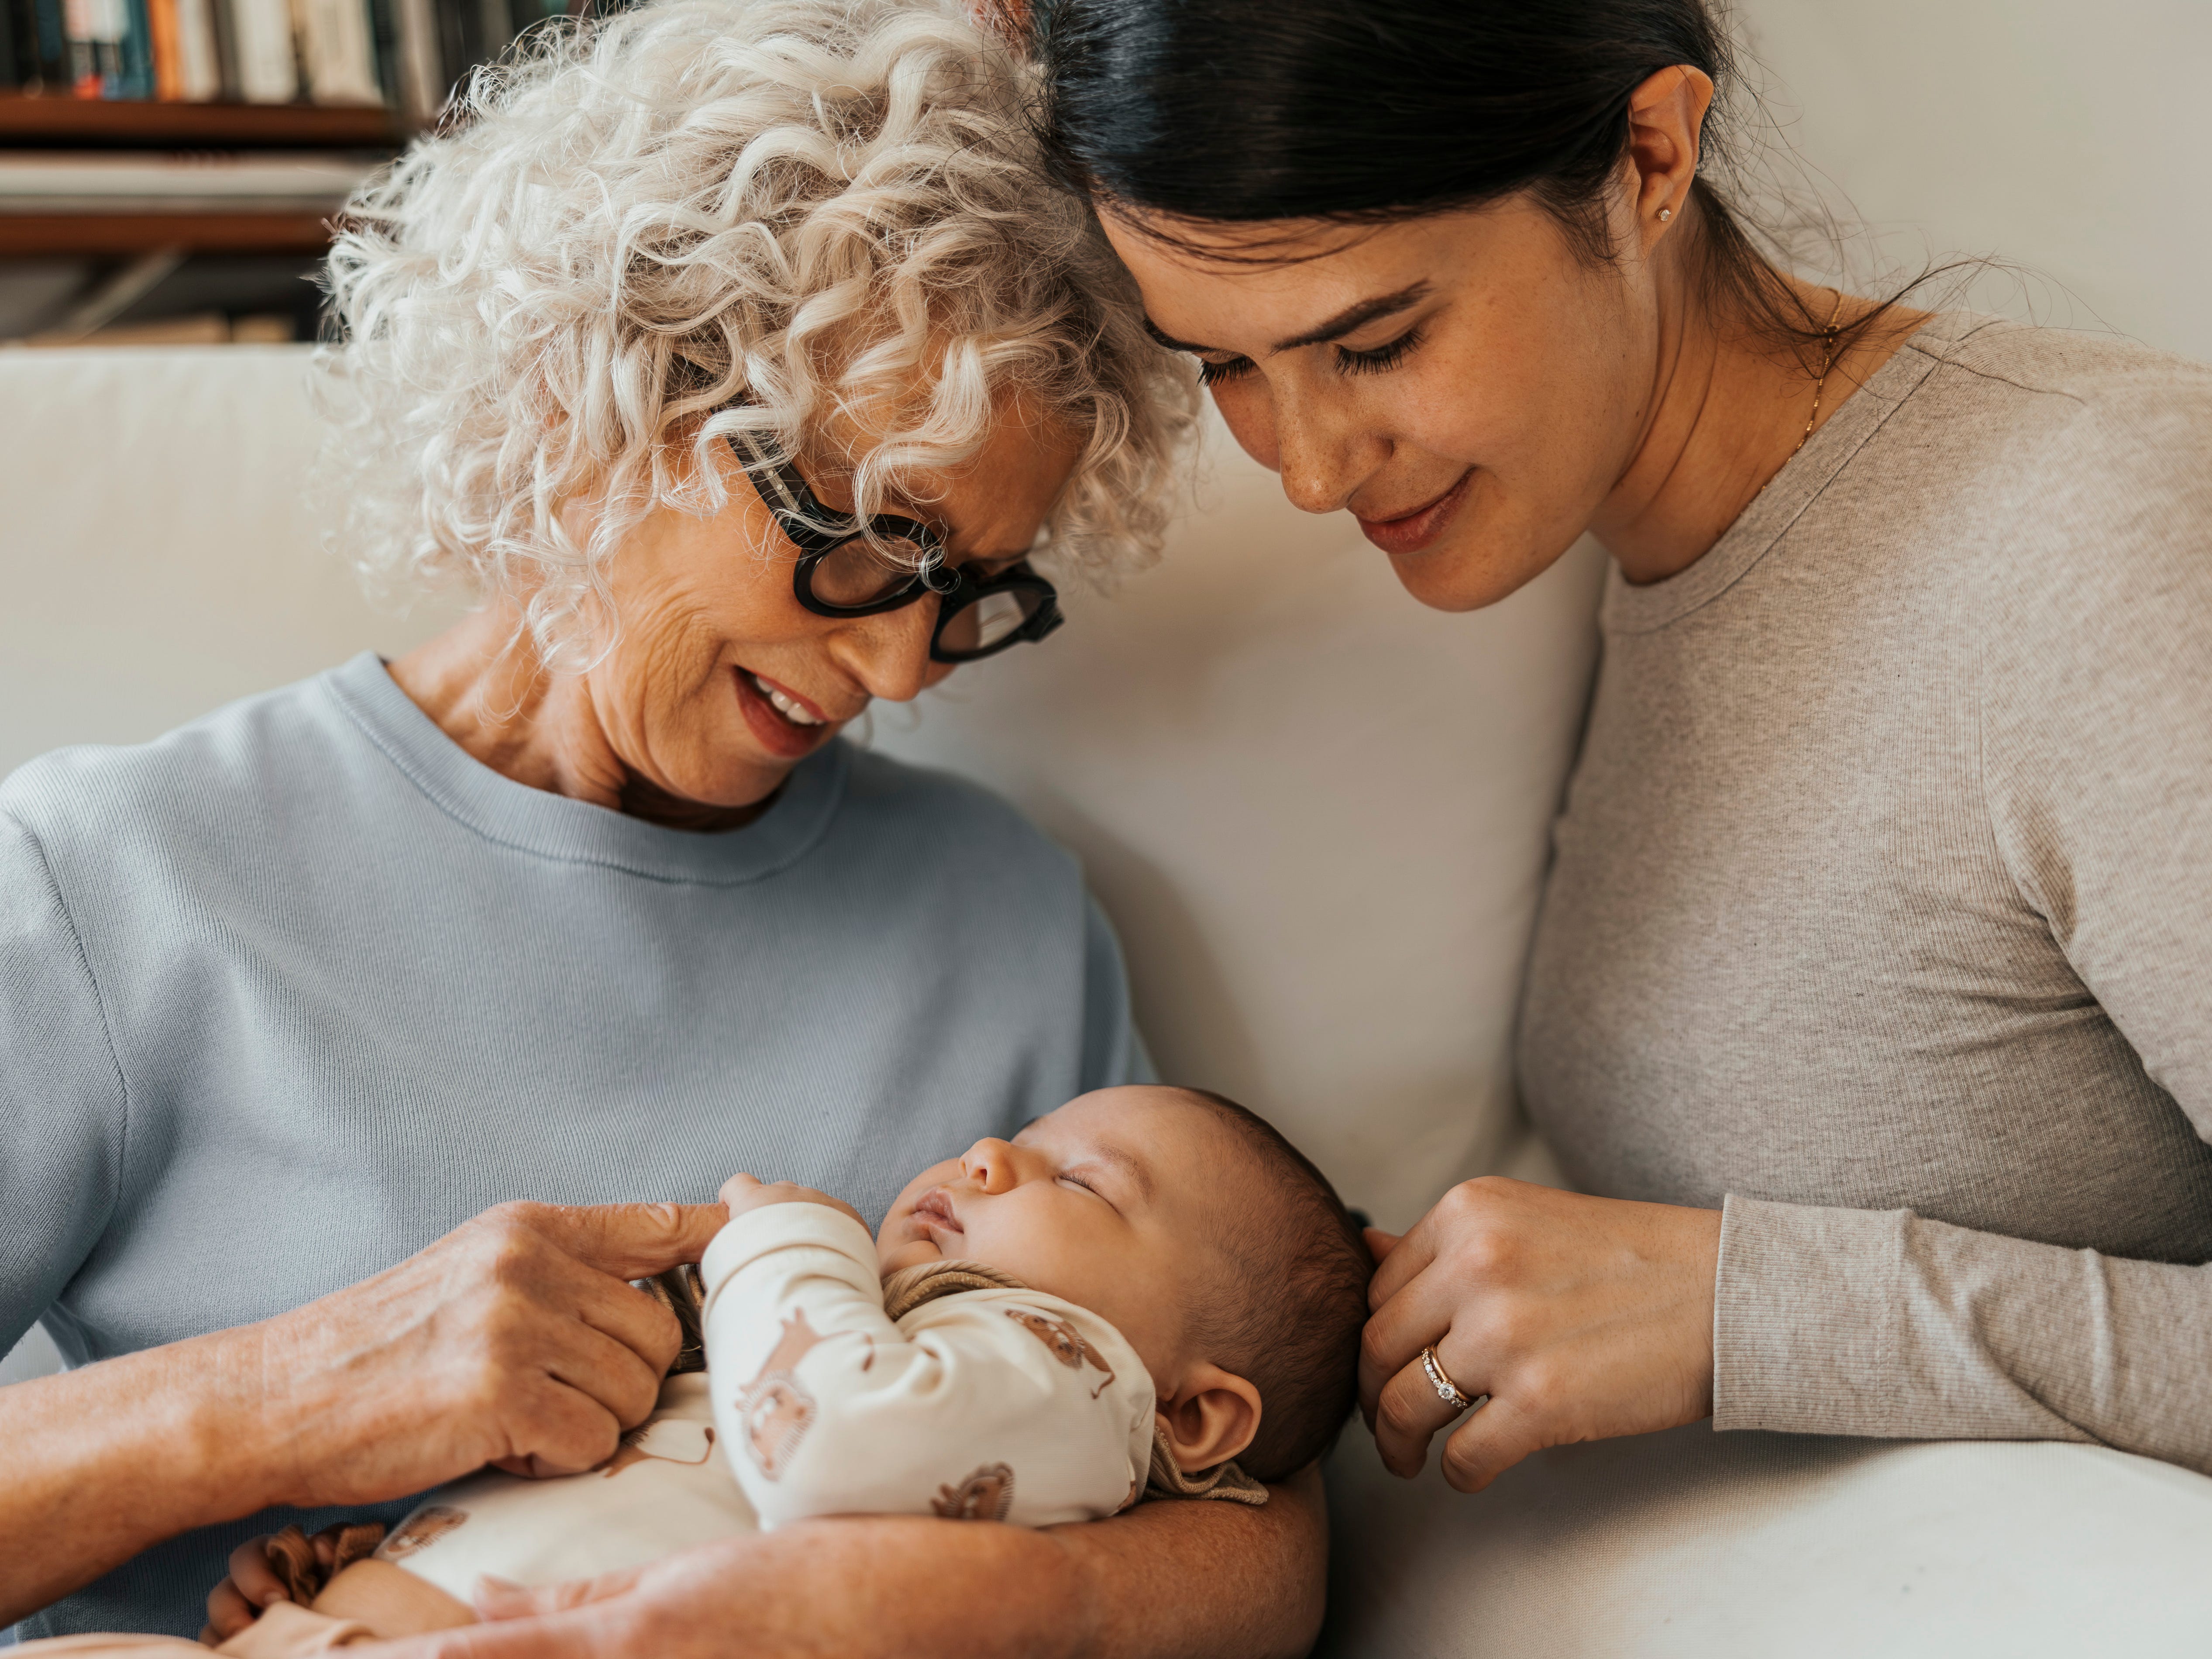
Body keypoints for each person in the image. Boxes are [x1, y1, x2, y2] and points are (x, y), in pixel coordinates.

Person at [0, 3, 1335, 1654]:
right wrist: (282, 1397)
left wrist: (874, 1605)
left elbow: (1254, 1522)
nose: (903, 662)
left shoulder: (995, 919)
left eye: (972, 590)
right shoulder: (112, 880)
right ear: (602, 406)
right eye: (864, 538)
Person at [1033, 0, 2212, 1500]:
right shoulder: (1624, 556)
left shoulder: (2108, 549)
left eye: (1377, 341)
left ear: (1649, 157)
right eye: (1226, 369)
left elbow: (1749, 1296)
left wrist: (1753, 1314)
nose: (1312, 470)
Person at [71, 1086, 1359, 1656]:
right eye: (1017, 1137)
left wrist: (787, 1239)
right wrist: (377, 1566)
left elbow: (829, 1448)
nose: (982, 1155)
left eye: (1078, 1178)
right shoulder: (895, 1349)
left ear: (1192, 1413)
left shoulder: (1077, 1377)